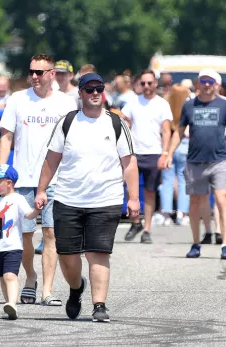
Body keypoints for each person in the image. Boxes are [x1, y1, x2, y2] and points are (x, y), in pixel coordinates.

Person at [35, 73, 139, 322]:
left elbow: (129, 164)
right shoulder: (67, 122)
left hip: (106, 200)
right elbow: (51, 160)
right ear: (80, 93)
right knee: (67, 255)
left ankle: (99, 305)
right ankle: (75, 288)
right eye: (89, 89)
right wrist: (41, 190)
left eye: (99, 89)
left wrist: (133, 198)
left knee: (98, 253)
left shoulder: (116, 124)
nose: (95, 93)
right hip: (68, 199)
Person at [0, 54, 77, 306]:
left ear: (52, 74)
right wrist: (1, 173)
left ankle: (48, 291)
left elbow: (73, 142)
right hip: (23, 178)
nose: (33, 76)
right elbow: (6, 138)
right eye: (31, 71)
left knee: (51, 233)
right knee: (26, 235)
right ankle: (31, 277)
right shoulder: (17, 99)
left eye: (39, 72)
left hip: (56, 180)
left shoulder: (66, 103)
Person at [168, 69, 226, 260]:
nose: (206, 84)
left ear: (217, 85)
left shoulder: (225, 105)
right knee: (196, 202)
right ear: (198, 84)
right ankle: (196, 243)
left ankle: (225, 244)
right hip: (195, 161)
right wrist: (168, 153)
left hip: (219, 159)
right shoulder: (189, 106)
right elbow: (179, 132)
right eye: (203, 81)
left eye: (210, 81)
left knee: (221, 199)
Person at [0, 165, 41, 320]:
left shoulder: (18, 199)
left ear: (9, 182)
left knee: (10, 276)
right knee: (2, 278)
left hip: (13, 246)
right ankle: (8, 304)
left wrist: (36, 210)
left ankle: (12, 304)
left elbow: (28, 215)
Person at [121, 70, 173, 242]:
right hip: (134, 152)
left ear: (155, 84)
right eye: (143, 83)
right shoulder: (133, 101)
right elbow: (124, 121)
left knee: (150, 192)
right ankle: (135, 222)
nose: (146, 86)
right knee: (130, 189)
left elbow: (166, 131)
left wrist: (165, 153)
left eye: (149, 83)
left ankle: (147, 229)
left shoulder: (162, 104)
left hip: (154, 152)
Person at [161, 83, 192, 226]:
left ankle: (166, 214)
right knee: (183, 181)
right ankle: (182, 213)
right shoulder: (188, 107)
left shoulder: (166, 107)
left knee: (167, 182)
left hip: (168, 144)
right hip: (184, 144)